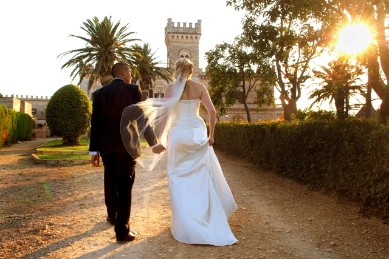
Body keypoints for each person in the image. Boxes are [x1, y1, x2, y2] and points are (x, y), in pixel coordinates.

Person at [120, 57, 238, 246]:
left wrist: (158, 139)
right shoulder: (200, 87)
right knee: (201, 179)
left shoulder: (170, 89)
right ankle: (207, 218)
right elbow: (213, 112)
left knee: (178, 179)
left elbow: (164, 117)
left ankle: (184, 224)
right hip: (197, 135)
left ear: (176, 71)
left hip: (178, 135)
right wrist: (212, 135)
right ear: (191, 71)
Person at [89, 62, 165, 243]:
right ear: (123, 72)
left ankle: (112, 215)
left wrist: (94, 151)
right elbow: (141, 118)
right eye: (129, 72)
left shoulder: (99, 94)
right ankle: (122, 232)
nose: (131, 76)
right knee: (125, 188)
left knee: (110, 180)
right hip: (126, 147)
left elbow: (96, 124)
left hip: (107, 148)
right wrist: (154, 143)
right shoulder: (132, 90)